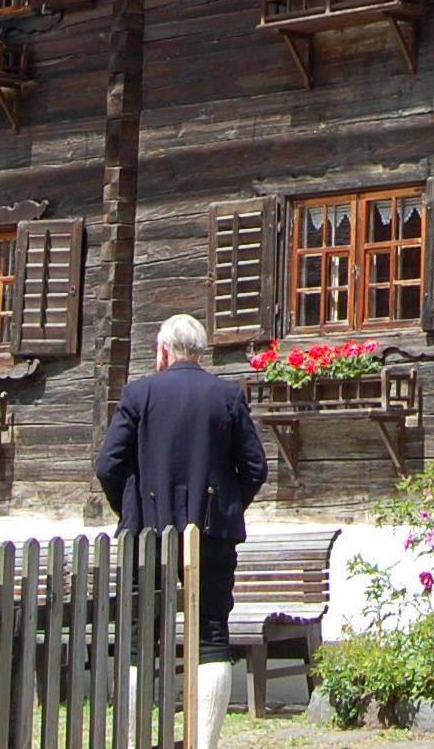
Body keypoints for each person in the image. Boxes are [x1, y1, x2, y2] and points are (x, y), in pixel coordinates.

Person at [95, 313, 268, 737]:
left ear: (163, 350)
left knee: (139, 641)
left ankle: (135, 741)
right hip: (211, 536)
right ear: (200, 351)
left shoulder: (139, 394)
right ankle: (203, 744)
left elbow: (107, 465)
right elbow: (255, 468)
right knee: (211, 637)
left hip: (146, 536)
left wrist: (131, 513)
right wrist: (225, 509)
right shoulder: (226, 395)